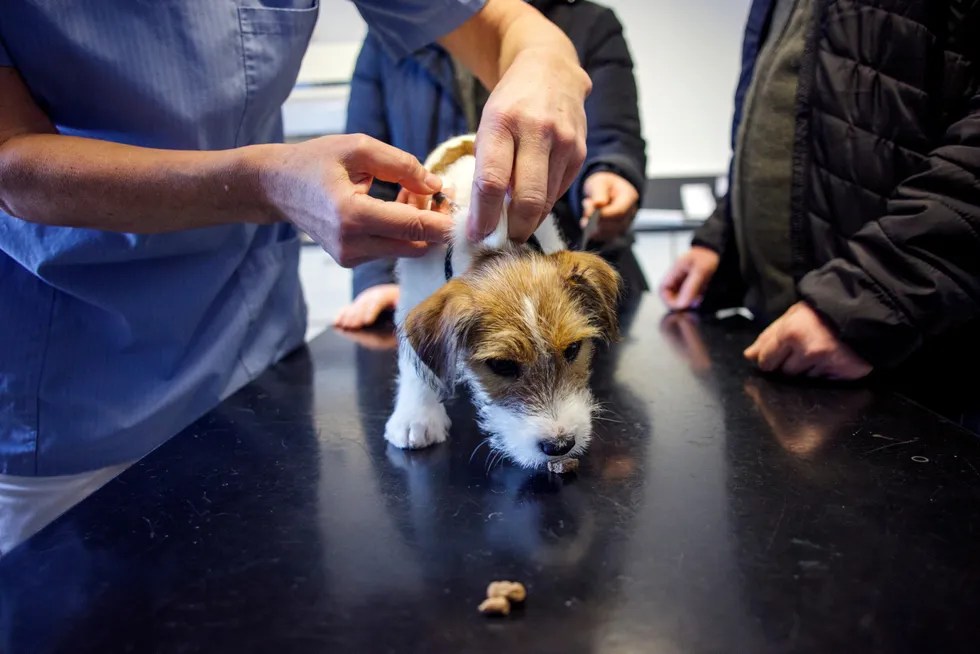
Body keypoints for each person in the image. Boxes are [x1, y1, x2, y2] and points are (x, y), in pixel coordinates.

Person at [0, 0, 594, 476]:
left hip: (264, 365)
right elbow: (11, 162)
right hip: (71, 399)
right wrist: (260, 184)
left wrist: (546, 58)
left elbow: (498, 25)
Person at [659, 0, 980, 382]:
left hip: (910, 366)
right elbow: (783, 133)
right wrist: (721, 241)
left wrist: (867, 301)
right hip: (795, 349)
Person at [334, 0, 647, 330]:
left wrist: (611, 174)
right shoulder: (390, 32)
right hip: (437, 293)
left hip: (571, 291)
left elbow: (613, 137)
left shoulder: (589, 23)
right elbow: (371, 174)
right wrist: (379, 277)